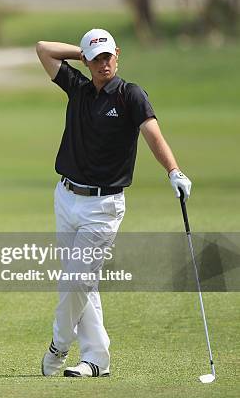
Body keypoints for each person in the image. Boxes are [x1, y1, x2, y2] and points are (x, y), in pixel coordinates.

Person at [35, 29, 192, 377]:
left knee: (76, 281)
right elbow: (43, 49)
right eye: (97, 58)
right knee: (82, 282)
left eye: (108, 56)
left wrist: (174, 171)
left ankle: (59, 345)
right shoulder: (77, 88)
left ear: (117, 55)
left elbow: (153, 134)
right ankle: (96, 360)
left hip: (102, 207)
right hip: (66, 197)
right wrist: (84, 54)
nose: (104, 63)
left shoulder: (130, 95)